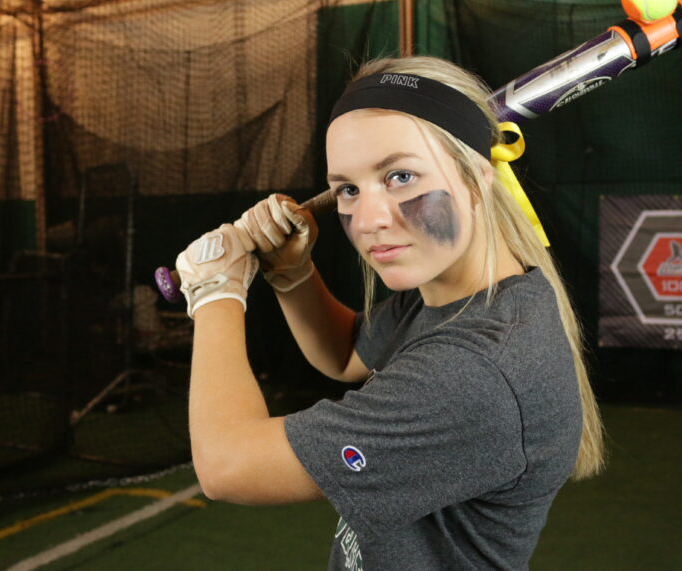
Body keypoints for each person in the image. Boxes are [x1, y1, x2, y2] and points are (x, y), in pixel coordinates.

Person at [176, 56, 605, 570]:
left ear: (476, 180)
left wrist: (215, 291)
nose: (369, 219)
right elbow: (344, 356)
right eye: (349, 189)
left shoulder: (474, 372)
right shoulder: (461, 296)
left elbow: (228, 466)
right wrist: (293, 274)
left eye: (400, 176)